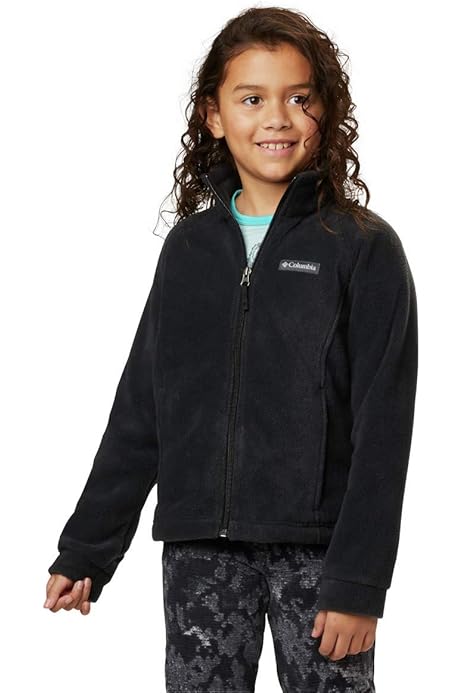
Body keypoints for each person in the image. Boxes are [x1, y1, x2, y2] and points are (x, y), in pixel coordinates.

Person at [44, 7, 418, 692]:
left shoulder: (362, 248)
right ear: (213, 116)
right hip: (201, 552)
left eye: (299, 98)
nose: (277, 118)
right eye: (252, 99)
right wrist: (88, 546)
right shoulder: (189, 250)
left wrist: (360, 581)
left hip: (320, 554)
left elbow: (384, 429)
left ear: (326, 112)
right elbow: (143, 408)